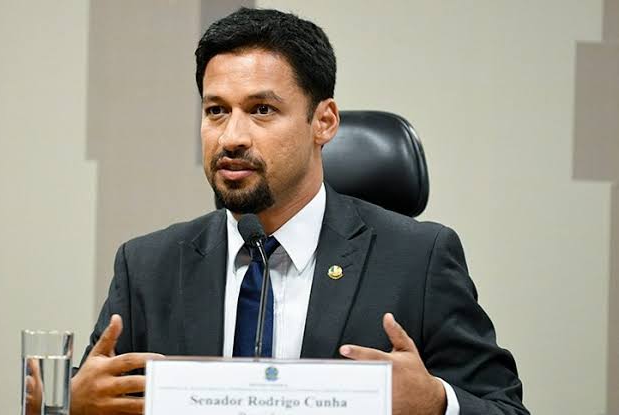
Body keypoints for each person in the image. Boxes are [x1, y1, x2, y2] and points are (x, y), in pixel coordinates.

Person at [70, 7, 529, 415]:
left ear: (323, 122)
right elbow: (97, 393)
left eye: (261, 109)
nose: (231, 137)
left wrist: (436, 403)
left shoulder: (418, 259)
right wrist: (71, 407)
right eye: (216, 111)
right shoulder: (147, 266)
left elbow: (504, 407)